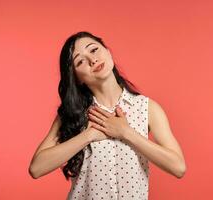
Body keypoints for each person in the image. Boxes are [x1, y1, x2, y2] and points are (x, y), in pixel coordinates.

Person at [28, 31, 186, 200]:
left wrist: (126, 133)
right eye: (80, 61)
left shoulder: (147, 108)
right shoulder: (73, 113)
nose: (92, 60)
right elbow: (36, 168)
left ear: (108, 52)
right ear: (77, 79)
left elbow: (178, 167)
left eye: (94, 50)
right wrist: (88, 135)